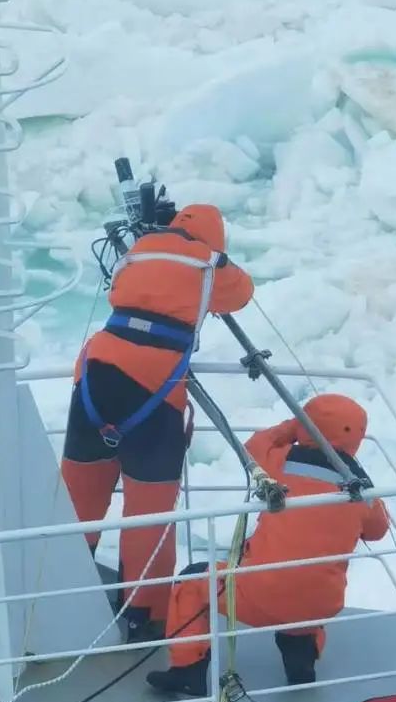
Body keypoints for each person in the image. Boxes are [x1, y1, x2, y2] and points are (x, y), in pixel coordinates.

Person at [61, 204, 254, 644]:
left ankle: (57, 593)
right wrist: (216, 258)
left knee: (78, 498)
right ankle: (141, 615)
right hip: (153, 389)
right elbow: (240, 294)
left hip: (95, 374)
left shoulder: (140, 248)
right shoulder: (209, 262)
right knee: (148, 514)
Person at [145, 394, 390, 696]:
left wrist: (293, 427)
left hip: (265, 594)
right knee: (305, 590)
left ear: (306, 427)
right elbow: (378, 531)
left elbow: (254, 446)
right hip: (320, 605)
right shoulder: (361, 488)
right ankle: (301, 667)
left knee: (192, 582)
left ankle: (187, 671)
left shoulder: (280, 461)